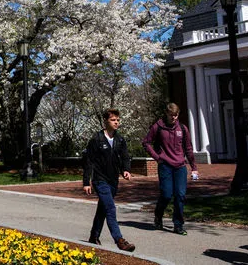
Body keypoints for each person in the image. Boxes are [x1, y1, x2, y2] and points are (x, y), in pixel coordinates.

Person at [82, 108, 135, 252]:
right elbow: (89, 161)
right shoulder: (96, 139)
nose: (116, 122)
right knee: (110, 208)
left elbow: (125, 157)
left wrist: (126, 169)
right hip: (100, 179)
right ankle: (119, 240)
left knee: (103, 209)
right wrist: (86, 182)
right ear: (106, 121)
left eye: (118, 120)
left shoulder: (120, 139)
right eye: (113, 120)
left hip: (113, 180)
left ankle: (94, 236)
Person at [142, 103, 199, 236]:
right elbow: (146, 142)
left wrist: (194, 168)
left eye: (176, 115)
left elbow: (189, 149)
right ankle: (158, 216)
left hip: (180, 166)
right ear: (166, 114)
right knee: (167, 195)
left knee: (180, 195)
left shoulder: (183, 129)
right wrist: (158, 157)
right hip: (165, 166)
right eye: (171, 115)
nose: (173, 117)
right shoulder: (158, 126)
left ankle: (178, 225)